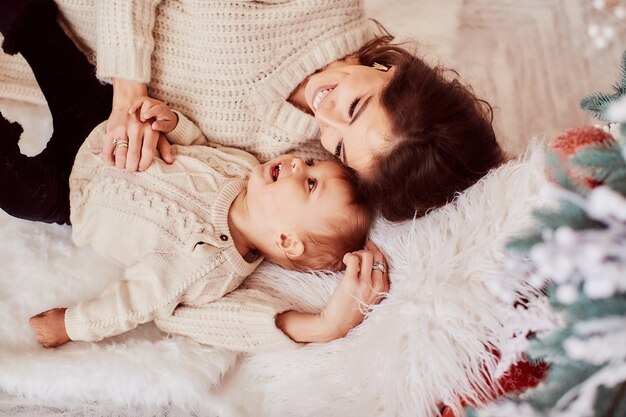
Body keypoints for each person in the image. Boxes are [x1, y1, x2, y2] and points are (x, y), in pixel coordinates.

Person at [0, 4, 387, 352]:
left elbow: (134, 303)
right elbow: (196, 145)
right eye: (313, 165)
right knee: (51, 51)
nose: (301, 164)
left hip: (73, 197)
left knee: (19, 194)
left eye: (309, 183)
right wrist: (169, 121)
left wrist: (72, 326)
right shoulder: (243, 169)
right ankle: (23, 17)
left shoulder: (206, 270)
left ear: (286, 240)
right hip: (104, 127)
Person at [0, 0, 505, 223]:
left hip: (66, 88)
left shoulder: (311, 161)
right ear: (393, 71)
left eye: (343, 146)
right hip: (76, 26)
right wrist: (128, 87)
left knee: (38, 195)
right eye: (354, 106)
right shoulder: (317, 7)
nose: (325, 119)